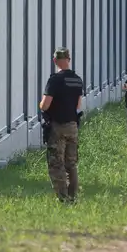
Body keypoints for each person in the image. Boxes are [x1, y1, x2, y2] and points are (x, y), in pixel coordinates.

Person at [39, 47, 85, 203]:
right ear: (69, 59)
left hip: (57, 127)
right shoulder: (77, 80)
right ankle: (73, 196)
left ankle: (63, 198)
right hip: (73, 126)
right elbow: (78, 105)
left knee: (56, 163)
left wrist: (41, 104)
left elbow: (45, 105)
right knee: (71, 163)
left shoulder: (55, 80)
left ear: (54, 61)